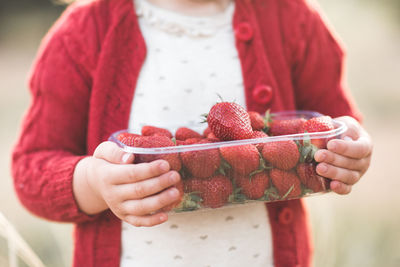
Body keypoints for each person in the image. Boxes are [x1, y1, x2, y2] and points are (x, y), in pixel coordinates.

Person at [11, 0, 373, 266]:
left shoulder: (292, 20)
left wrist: (350, 147)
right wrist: (94, 183)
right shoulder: (82, 34)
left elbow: (336, 124)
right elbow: (31, 167)